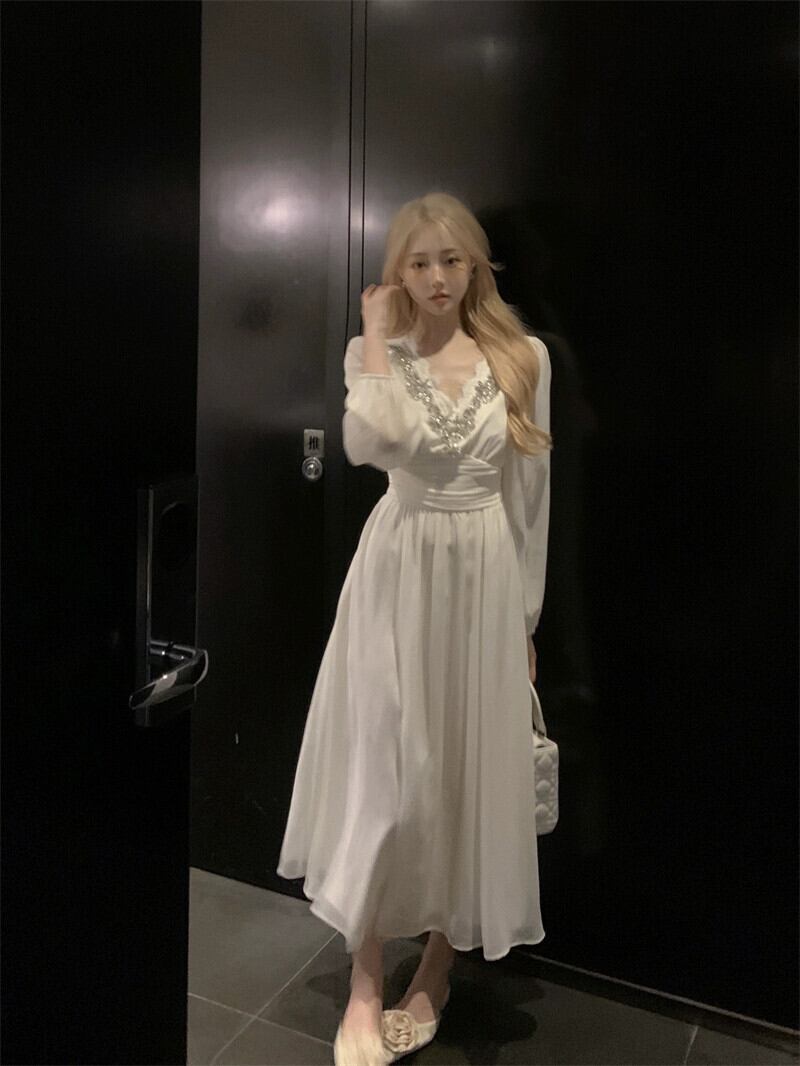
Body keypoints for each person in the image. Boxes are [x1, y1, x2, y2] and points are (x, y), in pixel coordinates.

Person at [277, 191, 553, 1065]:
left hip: (483, 582)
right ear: (398, 271)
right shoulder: (379, 353)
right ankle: (365, 980)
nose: (438, 278)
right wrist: (373, 333)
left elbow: (530, 501)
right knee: (382, 779)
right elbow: (370, 444)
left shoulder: (523, 357)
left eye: (453, 260)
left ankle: (435, 969)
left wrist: (524, 621)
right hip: (397, 575)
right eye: (420, 262)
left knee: (463, 776)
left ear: (476, 266)